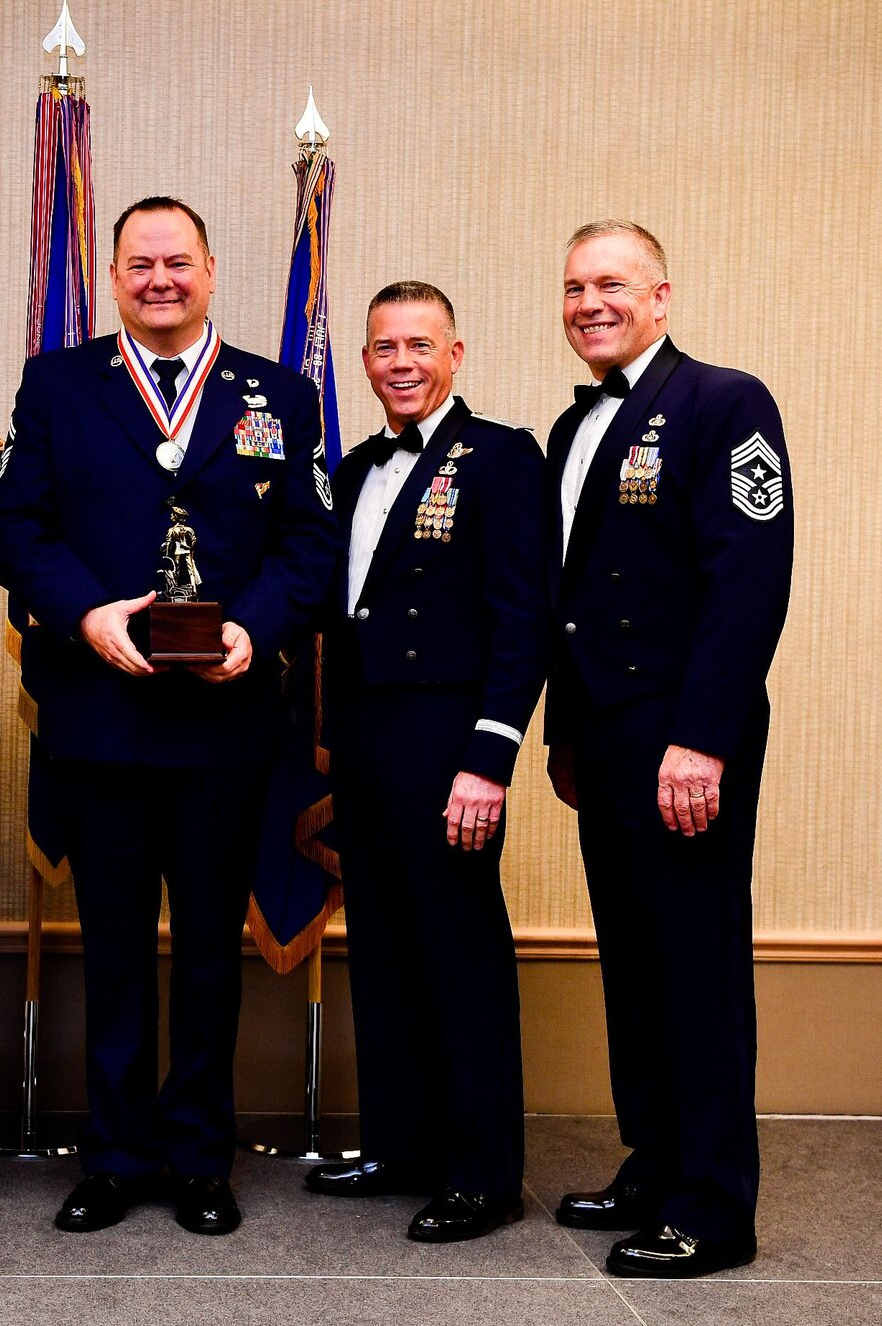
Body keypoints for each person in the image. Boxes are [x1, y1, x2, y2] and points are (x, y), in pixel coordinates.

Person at [0, 196, 338, 1236]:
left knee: (201, 951)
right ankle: (113, 1154)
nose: (158, 279)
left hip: (225, 722)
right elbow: (17, 524)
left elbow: (309, 541)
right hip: (101, 715)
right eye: (139, 263)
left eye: (176, 261)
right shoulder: (57, 386)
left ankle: (197, 1156)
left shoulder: (279, 393)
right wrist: (84, 611)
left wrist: (259, 628)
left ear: (211, 268)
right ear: (112, 276)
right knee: (110, 950)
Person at [544, 221, 793, 1277]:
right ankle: (653, 1159)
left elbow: (748, 578)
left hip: (681, 735)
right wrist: (561, 732)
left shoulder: (722, 402)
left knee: (693, 966)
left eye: (610, 283)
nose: (588, 302)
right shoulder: (570, 428)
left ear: (660, 296)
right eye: (571, 287)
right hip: (602, 737)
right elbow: (568, 600)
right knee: (632, 963)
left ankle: (713, 1206)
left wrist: (701, 739)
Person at [305, 282, 547, 1242]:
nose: (400, 362)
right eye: (382, 347)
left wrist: (490, 757)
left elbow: (521, 616)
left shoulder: (500, 458)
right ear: (363, 362)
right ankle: (402, 1146)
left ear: (456, 354)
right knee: (387, 953)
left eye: (419, 345)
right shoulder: (355, 465)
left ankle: (484, 1173)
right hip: (364, 744)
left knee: (461, 954)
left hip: (451, 745)